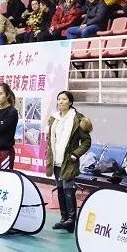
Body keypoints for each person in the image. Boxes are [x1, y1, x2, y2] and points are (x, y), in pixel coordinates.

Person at [45, 91, 93, 233]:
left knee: (68, 188)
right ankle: (64, 218)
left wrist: (75, 154)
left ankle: (71, 220)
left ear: (70, 102)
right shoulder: (54, 118)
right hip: (56, 160)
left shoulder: (77, 119)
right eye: (59, 99)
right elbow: (50, 139)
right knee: (60, 188)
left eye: (64, 99)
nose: (61, 102)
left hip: (69, 160)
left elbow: (86, 142)